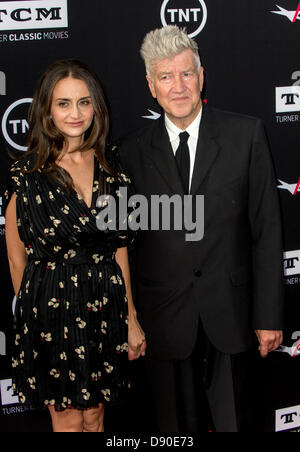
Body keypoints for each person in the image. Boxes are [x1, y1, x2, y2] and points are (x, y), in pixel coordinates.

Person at [119, 26, 284, 432]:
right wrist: (130, 318)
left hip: (231, 317)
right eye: (166, 76)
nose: (178, 87)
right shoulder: (129, 152)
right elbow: (124, 244)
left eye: (186, 74)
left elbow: (267, 232)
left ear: (202, 76)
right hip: (164, 324)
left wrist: (268, 315)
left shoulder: (246, 135)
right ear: (150, 85)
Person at [4, 60, 146, 433]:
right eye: (63, 103)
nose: (75, 113)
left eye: (84, 102)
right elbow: (17, 259)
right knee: (67, 420)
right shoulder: (27, 176)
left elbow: (119, 250)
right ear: (47, 110)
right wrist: (36, 321)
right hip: (51, 311)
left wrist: (130, 318)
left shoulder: (113, 168)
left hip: (104, 304)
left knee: (96, 416)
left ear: (96, 106)